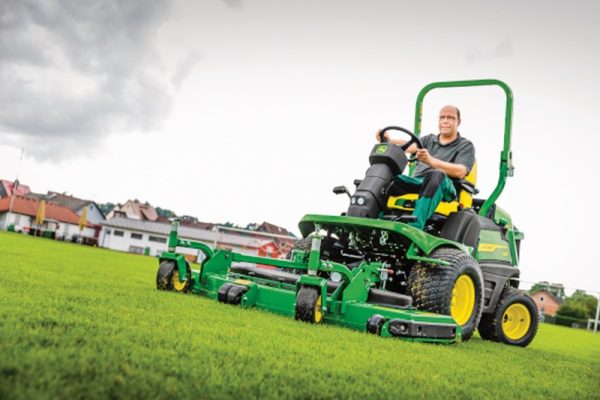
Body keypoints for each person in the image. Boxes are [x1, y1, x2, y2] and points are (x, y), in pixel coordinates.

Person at [376, 105, 475, 230]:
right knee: (389, 178)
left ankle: (414, 228)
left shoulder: (465, 145)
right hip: (419, 182)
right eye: (442, 117)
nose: (445, 121)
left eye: (450, 118)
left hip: (445, 187)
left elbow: (461, 171)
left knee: (437, 174)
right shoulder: (428, 140)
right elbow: (409, 146)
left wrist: (431, 161)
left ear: (458, 122)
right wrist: (389, 141)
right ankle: (372, 221)